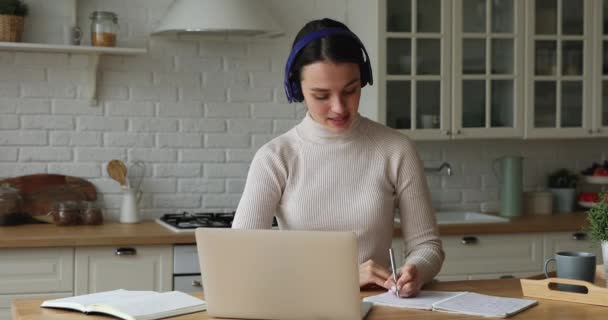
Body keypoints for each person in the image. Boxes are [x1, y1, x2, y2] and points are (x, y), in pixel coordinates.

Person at [232, 18, 444, 298]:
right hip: (299, 305)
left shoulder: (396, 149)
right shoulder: (275, 158)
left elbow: (428, 245)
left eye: (350, 90)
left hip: (376, 305)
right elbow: (239, 257)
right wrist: (341, 276)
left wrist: (416, 270)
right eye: (321, 95)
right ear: (297, 90)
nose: (339, 107)